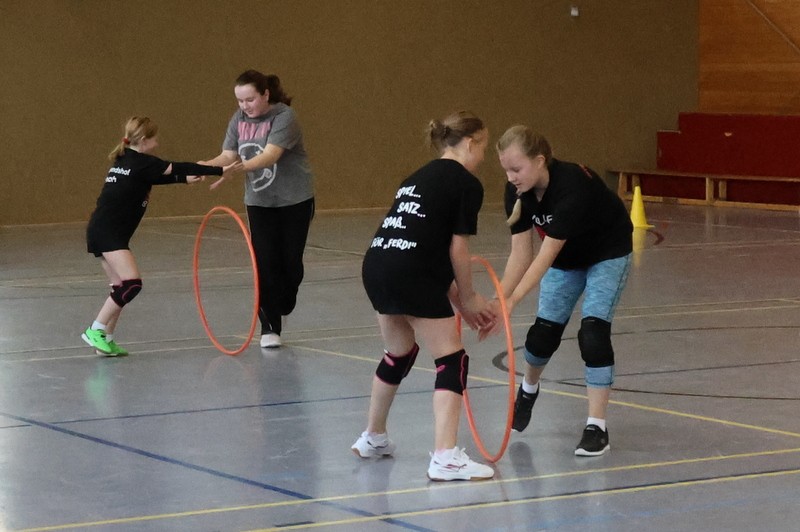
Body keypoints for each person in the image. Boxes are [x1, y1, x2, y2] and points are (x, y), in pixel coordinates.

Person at [351, 111, 497, 481]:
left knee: (398, 353)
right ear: (470, 143)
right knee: (452, 359)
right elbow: (456, 249)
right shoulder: (466, 183)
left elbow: (424, 247)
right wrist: (469, 298)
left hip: (378, 265)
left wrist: (459, 302)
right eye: (484, 148)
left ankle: (373, 437)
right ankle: (445, 456)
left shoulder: (416, 178)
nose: (483, 158)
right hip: (410, 270)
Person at [488, 125, 632, 456]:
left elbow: (545, 256)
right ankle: (528, 390)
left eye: (516, 169)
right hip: (567, 260)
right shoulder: (517, 192)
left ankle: (597, 427)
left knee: (593, 333)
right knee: (542, 335)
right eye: (506, 170)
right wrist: (499, 298)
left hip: (606, 253)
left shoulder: (572, 185)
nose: (510, 177)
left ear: (540, 161)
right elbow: (521, 254)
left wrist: (513, 301)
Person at [82, 116, 240, 356]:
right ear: (144, 140)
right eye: (154, 139)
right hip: (108, 233)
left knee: (119, 287)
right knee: (132, 284)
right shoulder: (142, 162)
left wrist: (183, 179)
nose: (156, 144)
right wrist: (219, 170)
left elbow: (158, 176)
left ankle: (106, 340)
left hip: (101, 229)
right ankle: (96, 329)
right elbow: (178, 167)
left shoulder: (126, 159)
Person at [200, 70, 315, 349]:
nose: (244, 106)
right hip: (259, 203)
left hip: (295, 201)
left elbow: (270, 156)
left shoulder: (284, 116)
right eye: (240, 101)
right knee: (264, 263)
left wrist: (235, 169)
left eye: (250, 100)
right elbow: (228, 155)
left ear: (265, 94)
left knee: (290, 263)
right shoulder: (238, 119)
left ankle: (284, 299)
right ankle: (270, 327)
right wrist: (204, 167)